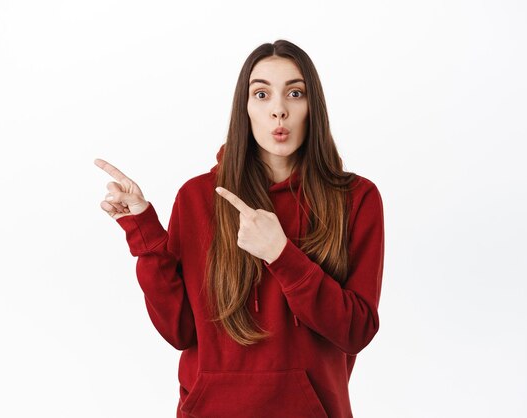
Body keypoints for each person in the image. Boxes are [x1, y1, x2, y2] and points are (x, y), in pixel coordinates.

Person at [94, 39, 384, 418]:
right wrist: (144, 233)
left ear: (313, 107)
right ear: (244, 109)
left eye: (295, 93)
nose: (278, 110)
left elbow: (356, 331)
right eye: (261, 94)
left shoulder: (356, 198)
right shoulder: (198, 196)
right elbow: (179, 331)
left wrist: (281, 255)